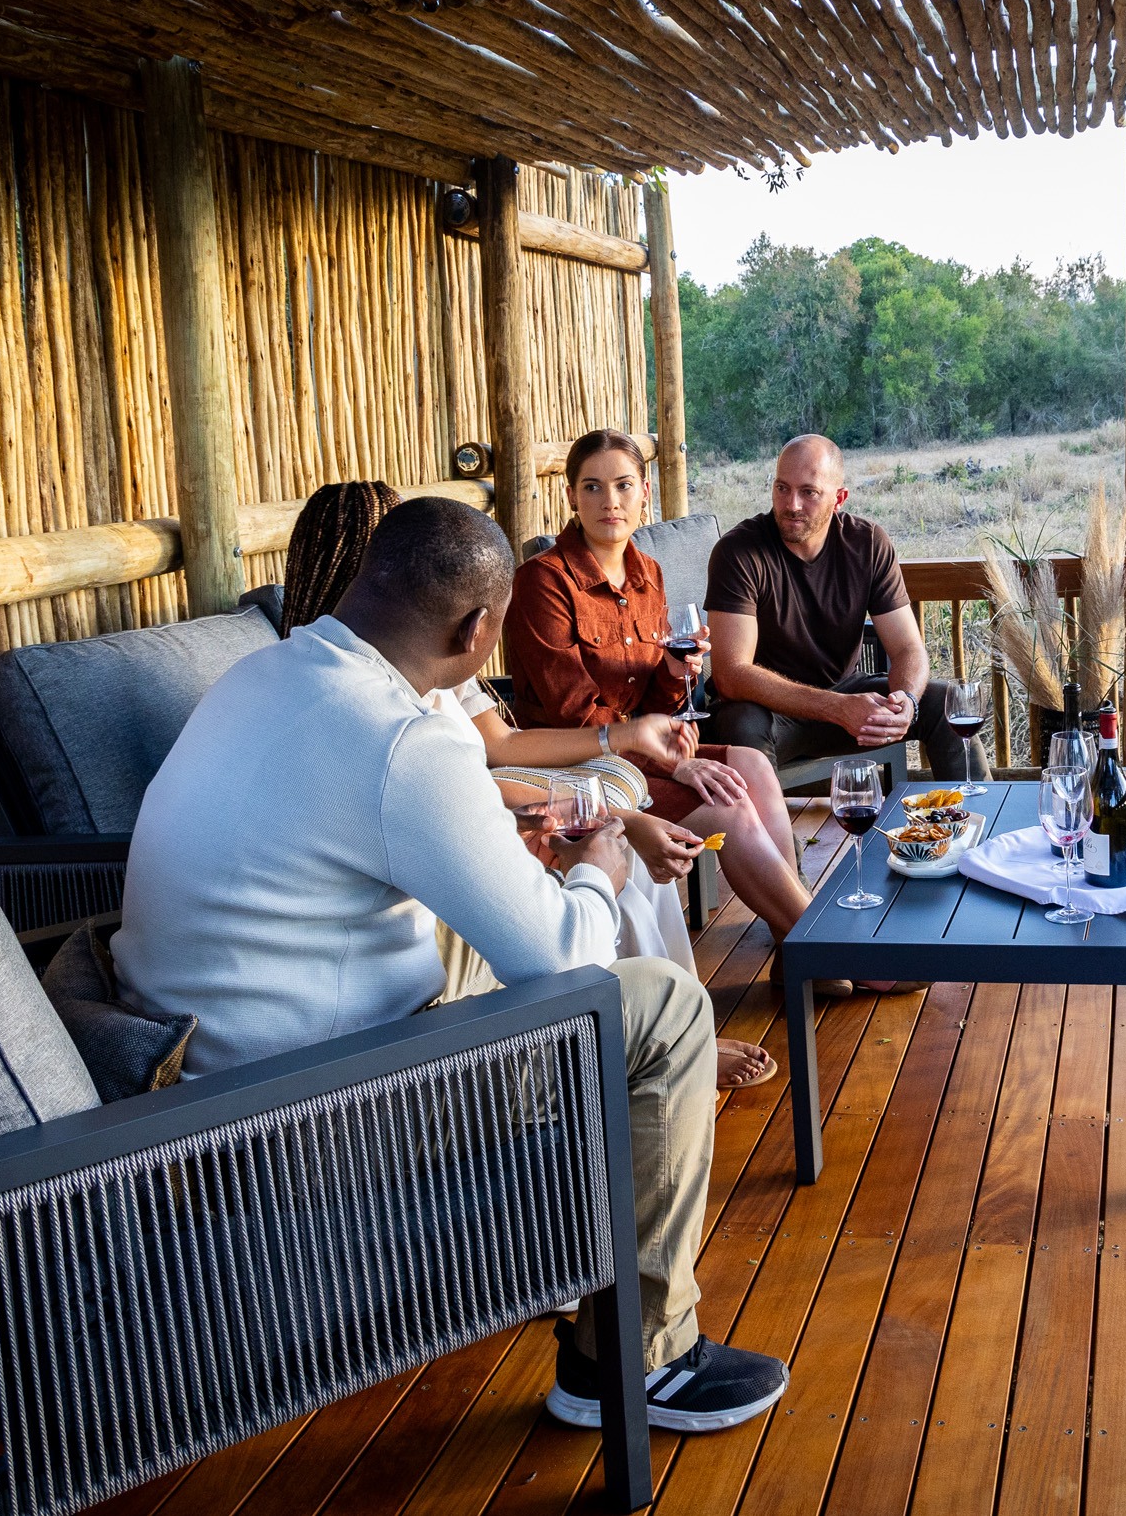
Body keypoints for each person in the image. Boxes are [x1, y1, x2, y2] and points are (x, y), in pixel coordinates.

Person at [114, 496, 790, 1434]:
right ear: (477, 630)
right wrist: (596, 864)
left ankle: (618, 1146)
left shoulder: (261, 677)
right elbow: (568, 967)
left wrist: (504, 840)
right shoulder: (404, 742)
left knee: (507, 912)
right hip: (308, 1117)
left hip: (207, 1074)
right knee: (665, 1007)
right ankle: (638, 1362)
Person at [279, 482, 763, 1081]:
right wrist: (607, 832)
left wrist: (614, 765)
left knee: (629, 860)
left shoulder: (311, 670)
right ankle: (659, 1041)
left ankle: (680, 1031)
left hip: (445, 836)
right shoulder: (374, 710)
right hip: (382, 953)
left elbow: (491, 756)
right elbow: (449, 793)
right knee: (618, 881)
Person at [505, 431, 810, 1060]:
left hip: (641, 755)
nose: (608, 501)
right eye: (592, 486)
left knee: (750, 761)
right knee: (729, 803)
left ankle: (792, 945)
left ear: (644, 494)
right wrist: (677, 757)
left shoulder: (649, 574)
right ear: (571, 496)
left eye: (622, 486)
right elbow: (576, 715)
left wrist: (679, 674)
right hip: (582, 771)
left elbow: (659, 704)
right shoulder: (543, 583)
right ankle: (819, 942)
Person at [704, 433, 963, 779]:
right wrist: (836, 707)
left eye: (808, 492)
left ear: (839, 498)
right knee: (741, 723)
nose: (791, 504)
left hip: (847, 700)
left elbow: (907, 649)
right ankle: (771, 835)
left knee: (946, 703)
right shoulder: (738, 551)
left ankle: (981, 824)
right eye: (782, 488)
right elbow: (731, 675)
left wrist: (905, 702)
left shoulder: (867, 543)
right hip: (769, 713)